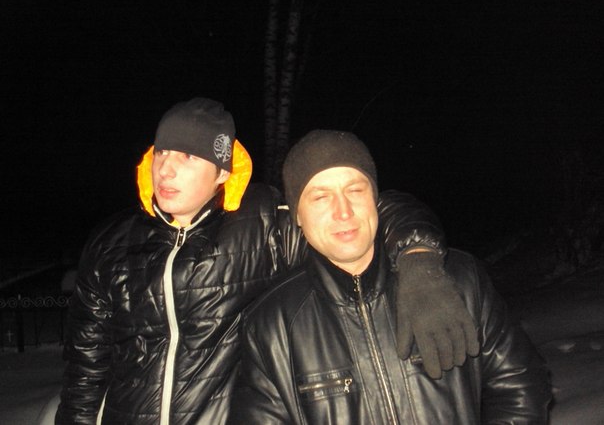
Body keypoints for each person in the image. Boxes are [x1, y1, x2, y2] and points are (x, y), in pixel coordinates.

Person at [55, 98, 477, 425]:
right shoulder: (112, 242)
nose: (165, 169)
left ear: (223, 171)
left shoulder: (263, 225)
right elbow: (86, 363)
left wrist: (418, 258)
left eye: (188, 156)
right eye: (162, 151)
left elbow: (361, 215)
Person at [227, 129, 552, 424]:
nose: (343, 211)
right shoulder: (271, 325)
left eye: (355, 190)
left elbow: (520, 387)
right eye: (321, 197)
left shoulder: (461, 280)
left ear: (375, 199)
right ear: (297, 214)